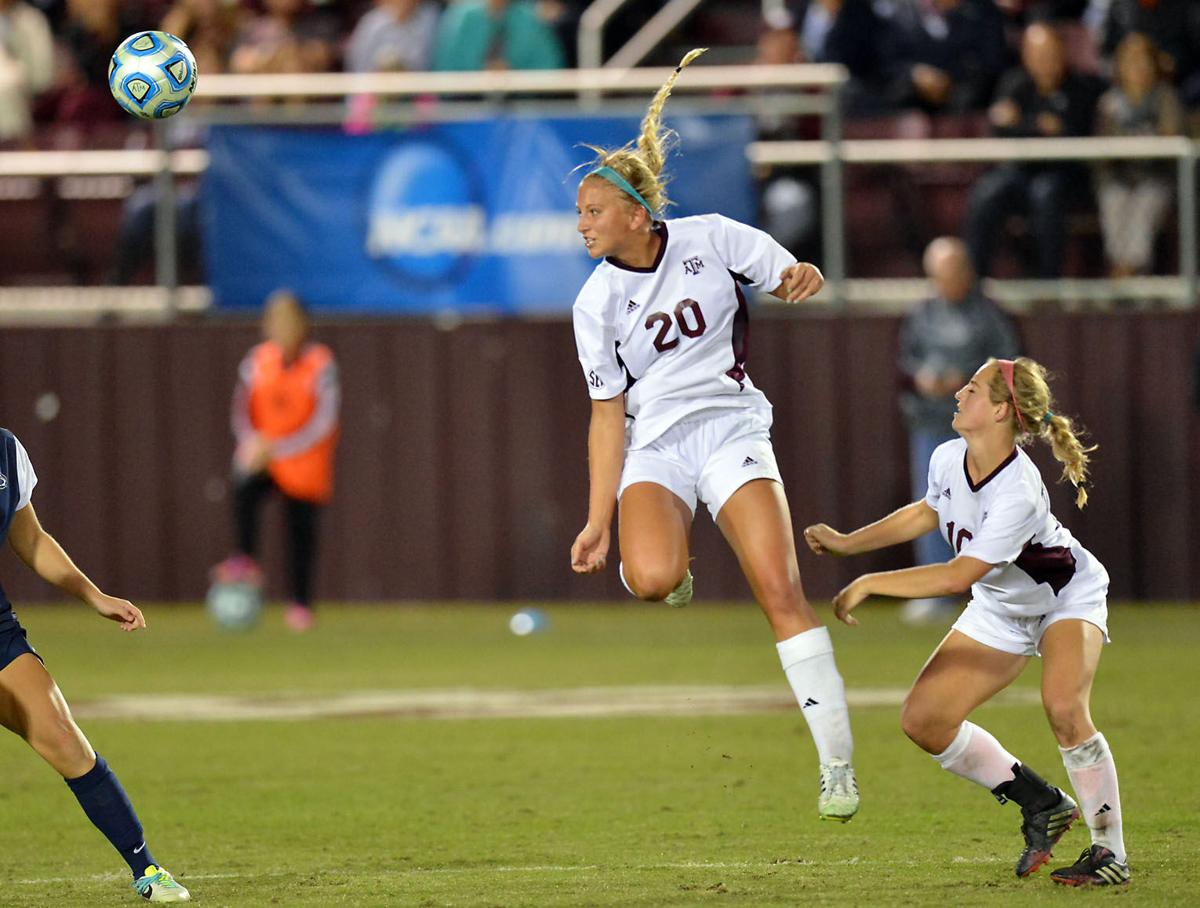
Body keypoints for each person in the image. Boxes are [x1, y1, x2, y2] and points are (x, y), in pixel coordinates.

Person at [569, 48, 859, 822]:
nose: (583, 223)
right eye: (579, 212)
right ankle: (663, 567)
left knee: (781, 591)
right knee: (656, 579)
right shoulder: (593, 304)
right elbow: (607, 416)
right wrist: (599, 520)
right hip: (657, 447)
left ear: (637, 212)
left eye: (594, 210)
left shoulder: (712, 237)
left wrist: (807, 274)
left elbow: (793, 271)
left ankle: (836, 766)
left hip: (731, 425)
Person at [804, 357, 1130, 886]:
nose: (959, 393)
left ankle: (1109, 851)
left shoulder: (1018, 489)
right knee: (924, 720)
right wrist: (847, 543)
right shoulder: (948, 456)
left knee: (1065, 707)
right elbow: (926, 512)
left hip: (1063, 599)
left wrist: (869, 582)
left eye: (973, 389)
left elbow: (959, 575)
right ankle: (1041, 803)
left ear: (1001, 410)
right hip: (1001, 606)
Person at [0, 428, 190, 901]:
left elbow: (32, 539)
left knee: (64, 738)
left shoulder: (5, 449)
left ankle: (147, 870)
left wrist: (93, 595)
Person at [898, 237, 1020, 623]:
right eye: (940, 276)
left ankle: (999, 592)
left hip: (981, 429)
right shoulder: (921, 316)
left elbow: (1009, 365)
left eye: (953, 274)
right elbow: (905, 361)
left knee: (992, 506)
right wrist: (923, 379)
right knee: (932, 504)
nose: (947, 283)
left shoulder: (989, 315)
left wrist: (969, 383)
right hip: (932, 422)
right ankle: (936, 591)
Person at [220, 290, 340, 632]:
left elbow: (323, 421)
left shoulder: (321, 363)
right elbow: (241, 411)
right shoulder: (256, 361)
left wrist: (280, 447)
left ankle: (300, 606)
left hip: (303, 462)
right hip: (265, 458)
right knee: (243, 485)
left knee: (301, 535)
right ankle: (245, 558)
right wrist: (252, 444)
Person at [963, 22, 1099, 279]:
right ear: (1026, 57)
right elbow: (1000, 130)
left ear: (1062, 53)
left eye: (1050, 54)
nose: (1045, 62)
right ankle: (975, 281)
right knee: (987, 192)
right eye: (1038, 55)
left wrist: (1022, 124)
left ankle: (1048, 283)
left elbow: (1078, 136)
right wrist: (1041, 127)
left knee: (1045, 193)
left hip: (1066, 174)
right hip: (1021, 170)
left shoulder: (1083, 87)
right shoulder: (1014, 83)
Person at [1093, 32, 1184, 278]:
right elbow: (1101, 152)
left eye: (1143, 61)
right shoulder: (1109, 103)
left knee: (1145, 204)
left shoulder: (1165, 97)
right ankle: (1125, 269)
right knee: (1113, 199)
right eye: (1130, 61)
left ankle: (1129, 272)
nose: (1137, 68)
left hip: (1156, 178)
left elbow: (1172, 139)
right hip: (1120, 178)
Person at [431, 0, 564, 72]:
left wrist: (514, 75)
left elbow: (550, 65)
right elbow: (445, 66)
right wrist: (481, 73)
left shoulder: (531, 19)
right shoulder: (459, 17)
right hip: (467, 103)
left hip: (523, 105)